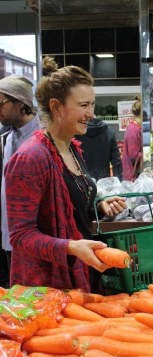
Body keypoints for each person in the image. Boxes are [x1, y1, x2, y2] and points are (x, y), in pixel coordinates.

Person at [4, 56, 127, 292]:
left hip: (80, 275)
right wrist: (70, 247)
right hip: (47, 287)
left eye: (92, 104)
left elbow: (66, 209)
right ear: (56, 106)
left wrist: (97, 207)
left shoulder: (71, 148)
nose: (91, 113)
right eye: (83, 105)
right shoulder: (31, 159)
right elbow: (20, 236)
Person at [0, 75, 41, 288]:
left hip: (38, 235)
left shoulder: (44, 136)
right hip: (10, 232)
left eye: (1, 103)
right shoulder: (7, 138)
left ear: (19, 102)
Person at [75, 117, 122, 181]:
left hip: (84, 181)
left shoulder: (77, 133)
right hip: (104, 182)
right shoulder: (109, 132)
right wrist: (118, 182)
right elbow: (117, 163)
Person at [122, 96, 143, 181]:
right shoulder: (134, 130)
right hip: (132, 176)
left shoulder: (136, 127)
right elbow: (133, 155)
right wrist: (145, 153)